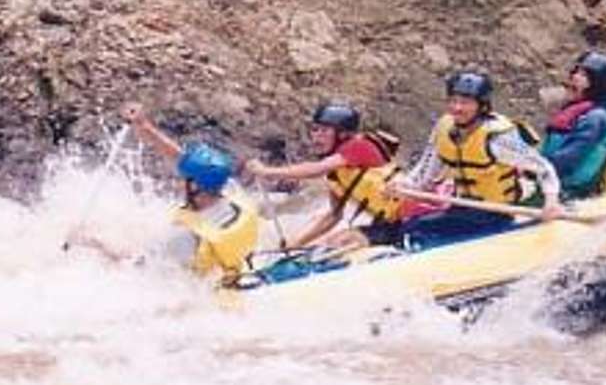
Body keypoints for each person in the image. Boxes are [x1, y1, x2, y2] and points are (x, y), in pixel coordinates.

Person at [395, 70, 563, 249]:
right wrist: (405, 186)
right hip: (462, 208)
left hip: (497, 213)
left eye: (465, 103)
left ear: (482, 106)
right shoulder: (444, 129)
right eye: (453, 101)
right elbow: (425, 171)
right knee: (411, 227)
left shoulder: (497, 138)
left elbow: (544, 169)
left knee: (426, 236)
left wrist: (551, 202)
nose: (457, 108)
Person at [110, 103, 261, 280]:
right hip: (232, 275)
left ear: (195, 186)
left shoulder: (184, 237)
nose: (177, 180)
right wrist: (144, 125)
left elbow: (136, 270)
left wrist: (98, 251)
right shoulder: (234, 200)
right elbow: (179, 157)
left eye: (183, 177)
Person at [243, 102, 409, 248]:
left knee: (343, 241)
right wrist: (295, 244)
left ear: (342, 135)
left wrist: (267, 172)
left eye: (324, 131)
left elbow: (316, 169)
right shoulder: (336, 173)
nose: (316, 136)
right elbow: (334, 216)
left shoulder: (358, 146)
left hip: (409, 218)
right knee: (327, 245)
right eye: (315, 130)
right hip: (390, 224)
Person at [539, 51, 606, 199]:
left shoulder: (596, 118)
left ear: (599, 83)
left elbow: (569, 157)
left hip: (564, 187)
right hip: (552, 175)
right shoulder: (584, 106)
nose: (575, 77)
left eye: (584, 75)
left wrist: (536, 171)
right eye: (576, 72)